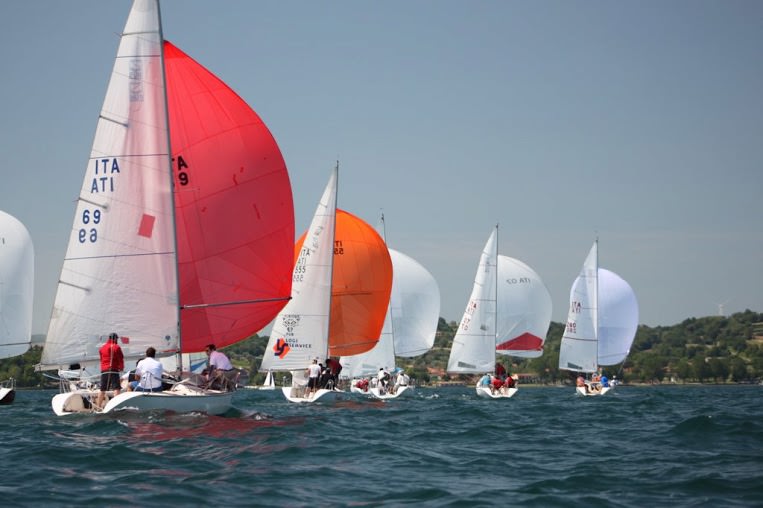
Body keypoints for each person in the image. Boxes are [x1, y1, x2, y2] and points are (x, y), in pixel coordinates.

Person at [95, 332, 124, 409]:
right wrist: (121, 367)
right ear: (114, 338)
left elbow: (101, 360)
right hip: (113, 370)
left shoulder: (102, 348)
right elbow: (120, 359)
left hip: (104, 371)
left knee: (102, 389)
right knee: (116, 389)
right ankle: (115, 407)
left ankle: (98, 407)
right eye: (116, 339)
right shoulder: (116, 347)